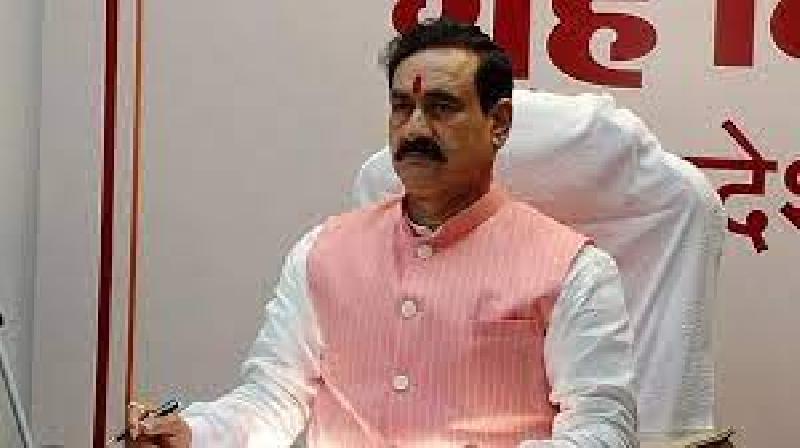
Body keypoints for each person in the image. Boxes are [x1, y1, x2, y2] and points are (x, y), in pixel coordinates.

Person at [129, 18, 637, 447]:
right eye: (401, 107)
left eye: (441, 107)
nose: (414, 129)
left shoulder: (571, 269)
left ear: (498, 123)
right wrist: (193, 433)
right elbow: (274, 396)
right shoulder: (323, 251)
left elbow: (603, 430)